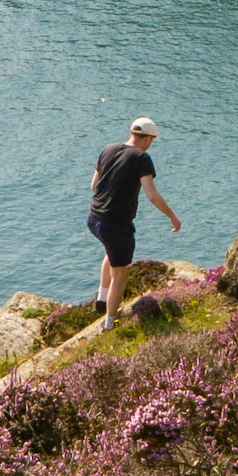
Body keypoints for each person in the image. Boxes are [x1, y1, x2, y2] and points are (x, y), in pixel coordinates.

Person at [88, 117, 181, 331]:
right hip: (116, 224)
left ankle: (101, 301)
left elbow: (94, 185)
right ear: (147, 138)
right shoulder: (142, 158)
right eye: (151, 140)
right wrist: (172, 217)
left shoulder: (108, 149)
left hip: (94, 218)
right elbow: (152, 195)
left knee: (111, 252)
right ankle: (110, 323)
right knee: (119, 273)